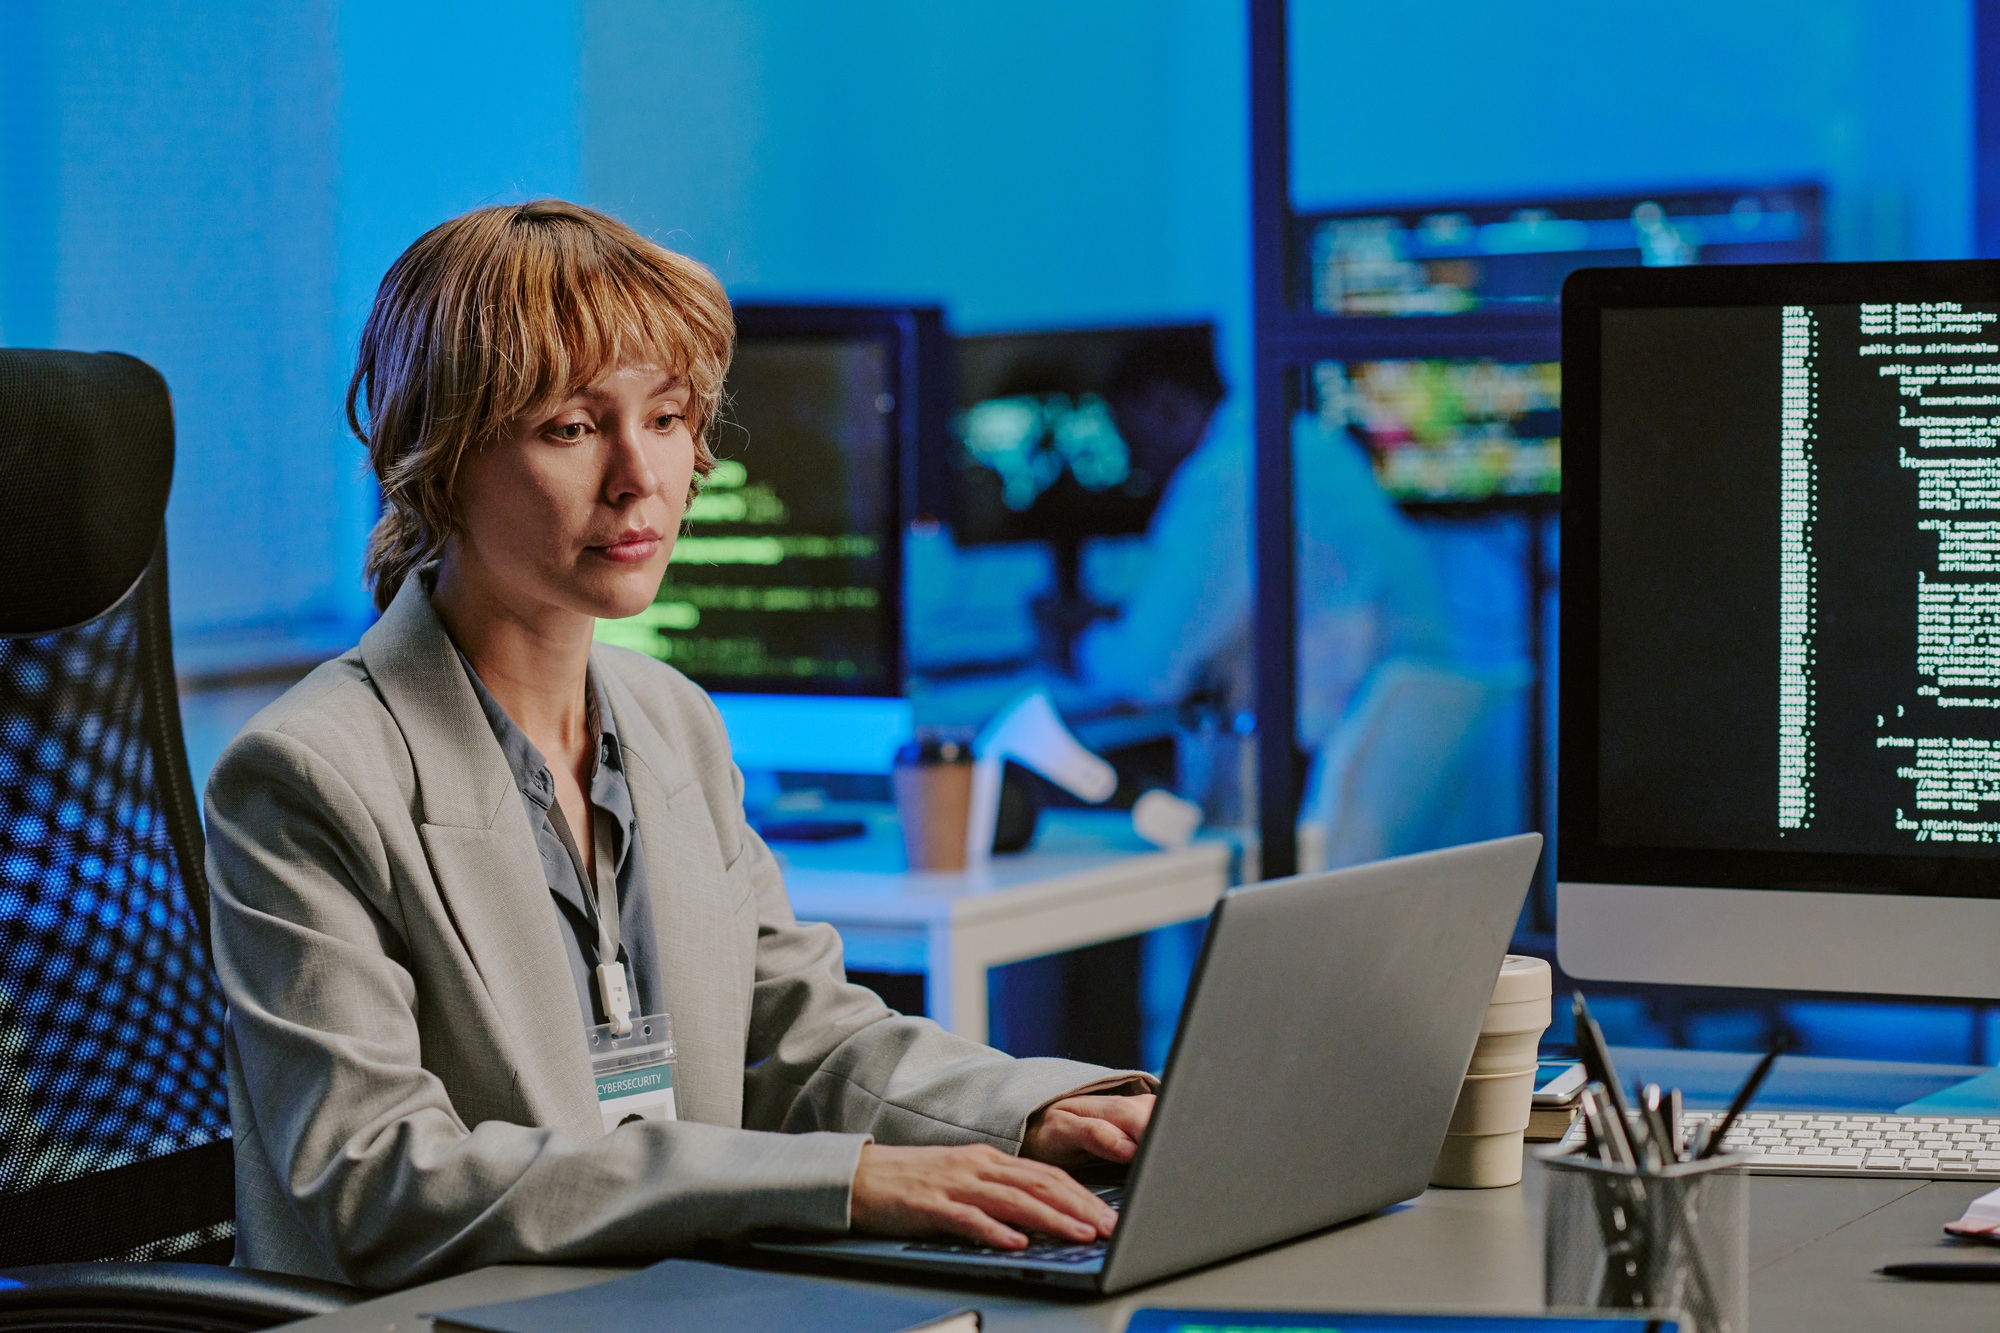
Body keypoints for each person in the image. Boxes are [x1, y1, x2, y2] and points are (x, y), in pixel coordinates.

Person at [203, 200, 1155, 1290]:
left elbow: (801, 1036)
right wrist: (841, 1180)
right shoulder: (309, 775)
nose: (639, 476)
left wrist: (1039, 1111)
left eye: (662, 418)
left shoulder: (669, 720)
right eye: (570, 428)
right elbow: (375, 1179)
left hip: (670, 1291)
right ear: (439, 458)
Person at [1072, 337, 1451, 753]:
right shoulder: (1309, 441)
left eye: (1134, 441)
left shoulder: (1223, 480)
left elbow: (1149, 674)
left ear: (1167, 406)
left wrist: (1076, 642)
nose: (1138, 467)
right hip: (1387, 740)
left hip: (1323, 751)